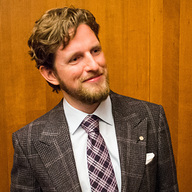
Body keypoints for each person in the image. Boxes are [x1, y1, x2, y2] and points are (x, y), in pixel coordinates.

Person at [11, 7, 179, 192]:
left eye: (95, 50)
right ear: (51, 74)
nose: (93, 65)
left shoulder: (151, 118)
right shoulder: (29, 142)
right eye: (75, 58)